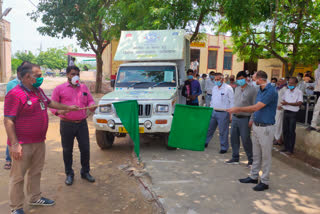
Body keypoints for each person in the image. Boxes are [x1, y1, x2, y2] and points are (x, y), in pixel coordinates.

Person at [4, 63, 79, 214]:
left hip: (39, 141)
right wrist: (14, 144)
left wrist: (68, 108)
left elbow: (50, 103)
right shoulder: (14, 94)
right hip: (22, 144)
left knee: (36, 171)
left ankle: (35, 197)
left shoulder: (38, 91)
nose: (41, 78)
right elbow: (8, 120)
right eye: (38, 76)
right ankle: (16, 207)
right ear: (26, 77)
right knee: (18, 176)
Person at [227, 70, 278, 191]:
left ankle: (264, 181)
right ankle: (254, 176)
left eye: (254, 78)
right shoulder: (260, 90)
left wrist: (238, 109)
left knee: (265, 156)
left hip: (266, 127)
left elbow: (256, 107)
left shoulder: (270, 91)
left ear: (260, 79)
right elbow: (255, 110)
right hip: (257, 125)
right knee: (256, 154)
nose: (252, 80)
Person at [51, 66, 97, 186]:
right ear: (67, 75)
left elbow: (90, 101)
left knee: (85, 149)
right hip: (66, 124)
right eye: (72, 74)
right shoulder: (59, 89)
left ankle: (85, 172)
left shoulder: (83, 87)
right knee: (67, 150)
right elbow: (52, 106)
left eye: (77, 74)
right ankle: (69, 174)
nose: (75, 76)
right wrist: (61, 111)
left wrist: (92, 105)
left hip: (82, 124)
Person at [225, 71, 257, 167]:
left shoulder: (252, 90)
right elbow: (234, 103)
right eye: (238, 79)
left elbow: (254, 106)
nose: (240, 80)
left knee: (245, 139)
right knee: (234, 138)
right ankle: (235, 158)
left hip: (245, 118)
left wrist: (252, 119)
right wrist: (231, 114)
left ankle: (251, 160)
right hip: (235, 117)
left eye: (242, 78)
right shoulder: (237, 89)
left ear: (246, 78)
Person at [205, 73, 234, 153]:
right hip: (213, 111)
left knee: (223, 131)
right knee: (209, 129)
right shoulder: (214, 88)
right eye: (215, 79)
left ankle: (224, 147)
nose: (216, 81)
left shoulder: (228, 88)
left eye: (218, 79)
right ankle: (205, 142)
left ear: (222, 79)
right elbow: (212, 100)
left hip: (223, 113)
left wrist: (231, 114)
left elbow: (232, 102)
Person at [280, 77, 303, 154]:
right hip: (286, 111)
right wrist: (284, 103)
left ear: (296, 84)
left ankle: (290, 149)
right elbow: (283, 99)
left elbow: (299, 103)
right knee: (285, 130)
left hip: (293, 113)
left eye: (292, 83)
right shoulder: (287, 91)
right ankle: (286, 147)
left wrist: (288, 103)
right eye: (289, 83)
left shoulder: (299, 92)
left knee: (291, 131)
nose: (290, 85)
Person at [273, 78, 287, 146]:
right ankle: (276, 138)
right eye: (278, 81)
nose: (279, 82)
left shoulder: (284, 89)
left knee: (279, 124)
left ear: (284, 82)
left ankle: (278, 139)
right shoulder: (278, 88)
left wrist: (281, 106)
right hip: (275, 108)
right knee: (276, 124)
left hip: (280, 109)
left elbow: (286, 99)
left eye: (281, 81)